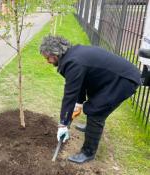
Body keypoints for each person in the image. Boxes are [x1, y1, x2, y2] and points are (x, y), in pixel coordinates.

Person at [39, 35, 141, 163]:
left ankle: (88, 153)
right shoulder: (73, 56)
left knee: (96, 111)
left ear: (55, 54)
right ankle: (90, 127)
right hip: (111, 78)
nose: (47, 61)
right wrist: (79, 103)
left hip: (124, 80)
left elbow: (69, 95)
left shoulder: (73, 62)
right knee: (93, 102)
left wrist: (63, 124)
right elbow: (80, 83)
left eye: (47, 57)